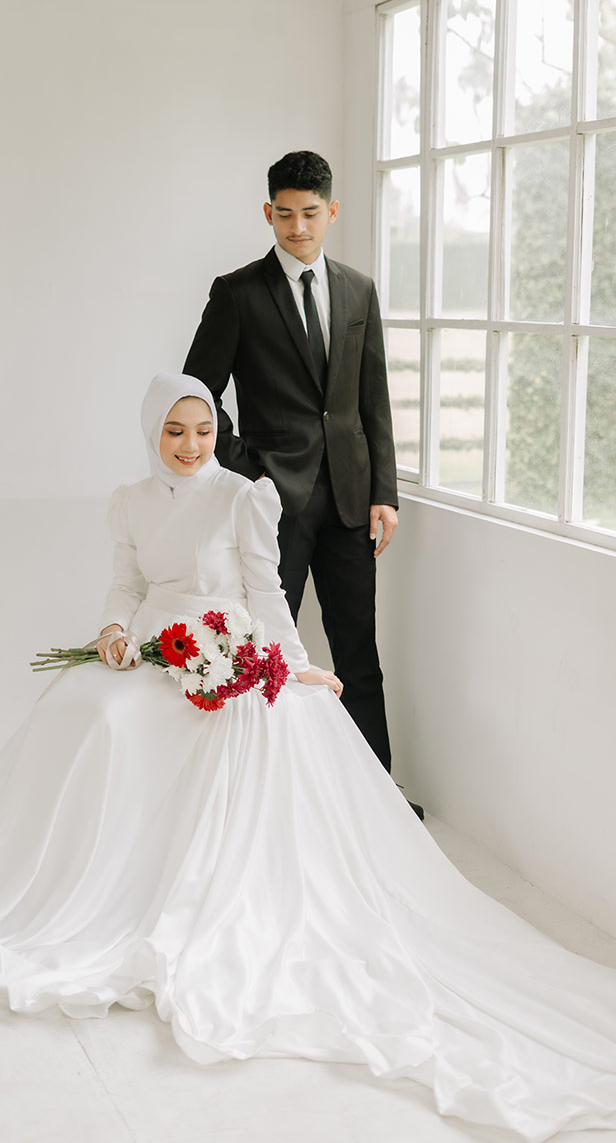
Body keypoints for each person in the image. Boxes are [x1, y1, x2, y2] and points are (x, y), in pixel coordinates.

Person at [0, 372, 616, 1143]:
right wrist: (114, 631)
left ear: (218, 432)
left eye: (203, 430)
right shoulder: (130, 501)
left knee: (238, 726)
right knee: (91, 713)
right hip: (154, 649)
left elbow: (265, 591)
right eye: (175, 432)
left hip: (228, 648)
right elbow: (126, 584)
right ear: (153, 433)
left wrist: (292, 665)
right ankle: (87, 877)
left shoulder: (242, 496)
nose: (190, 445)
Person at [183, 151, 413, 804]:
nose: (298, 227)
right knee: (263, 651)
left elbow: (373, 399)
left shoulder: (358, 290)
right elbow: (197, 394)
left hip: (349, 501)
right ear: (268, 213)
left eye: (310, 213)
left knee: (357, 653)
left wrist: (384, 493)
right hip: (271, 505)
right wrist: (248, 472)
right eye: (284, 215)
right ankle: (264, 800)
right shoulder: (238, 294)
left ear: (331, 211)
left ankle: (375, 800)